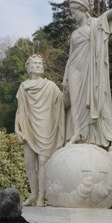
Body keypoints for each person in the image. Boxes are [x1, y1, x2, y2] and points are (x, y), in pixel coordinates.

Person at [63, 0, 112, 152]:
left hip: (90, 69)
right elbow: (70, 57)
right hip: (74, 69)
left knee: (91, 100)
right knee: (76, 102)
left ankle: (94, 136)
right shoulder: (74, 34)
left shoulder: (96, 24)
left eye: (74, 12)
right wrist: (65, 78)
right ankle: (78, 133)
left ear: (83, 10)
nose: (73, 15)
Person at [15, 54, 65, 206]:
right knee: (29, 164)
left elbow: (62, 101)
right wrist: (17, 128)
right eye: (34, 63)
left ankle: (41, 198)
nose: (37, 65)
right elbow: (19, 110)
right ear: (28, 67)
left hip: (46, 128)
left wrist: (72, 88)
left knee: (43, 161)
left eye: (40, 63)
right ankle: (34, 193)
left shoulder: (50, 86)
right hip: (28, 126)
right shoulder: (23, 87)